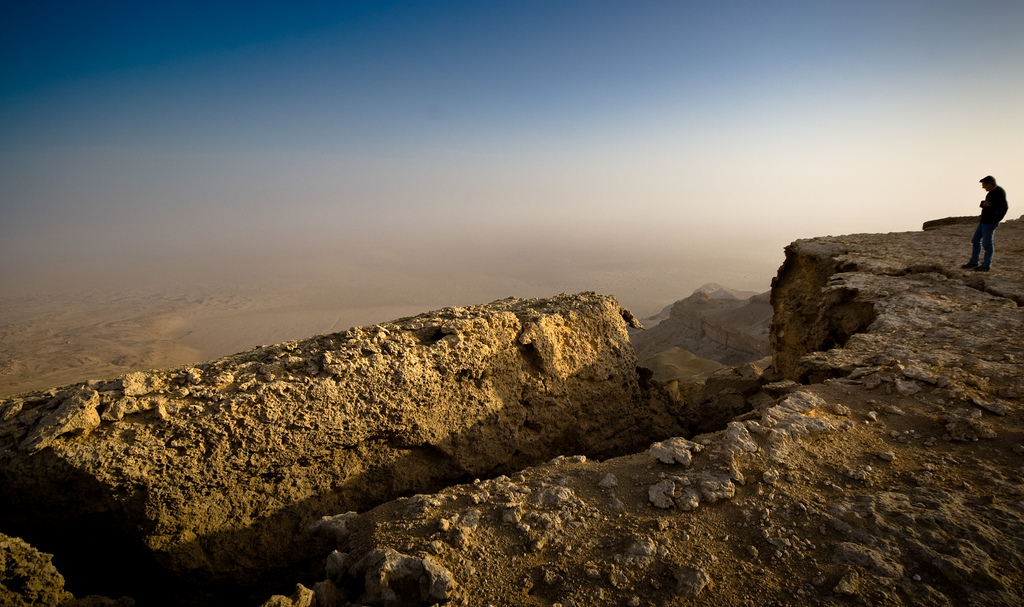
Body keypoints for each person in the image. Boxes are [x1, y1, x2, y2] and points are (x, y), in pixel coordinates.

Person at [962, 175, 1009, 272]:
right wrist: (983, 204)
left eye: (984, 185)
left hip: (989, 222)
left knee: (987, 244)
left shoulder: (999, 192)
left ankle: (986, 265)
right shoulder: (991, 193)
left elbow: (1004, 207)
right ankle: (974, 262)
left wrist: (997, 219)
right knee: (975, 240)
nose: (983, 187)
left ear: (990, 183)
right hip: (984, 221)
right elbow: (986, 204)